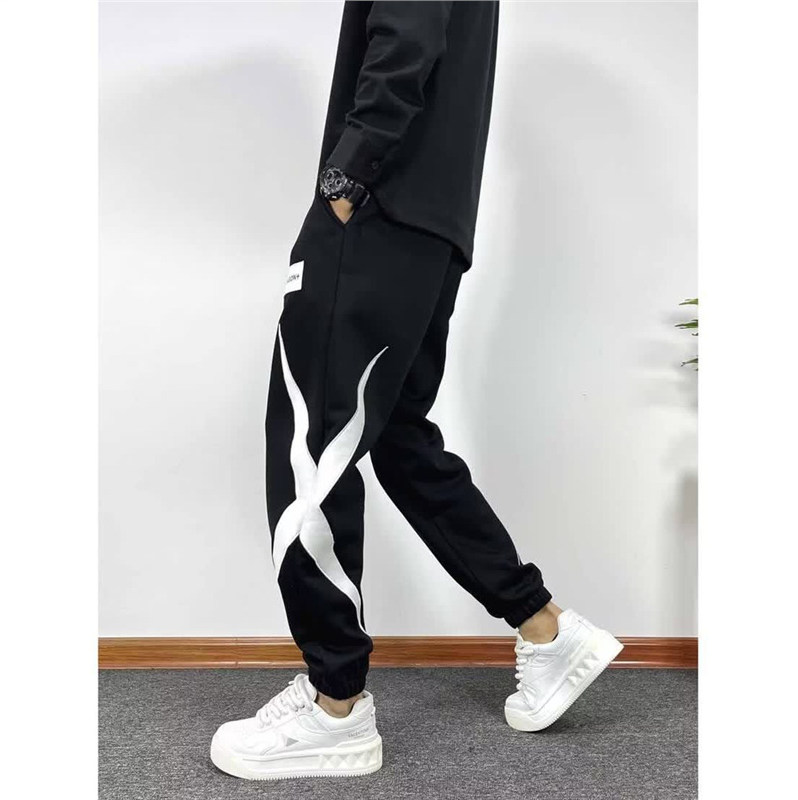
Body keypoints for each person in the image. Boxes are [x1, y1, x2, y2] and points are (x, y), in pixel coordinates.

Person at [211, 0, 622, 781]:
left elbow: (406, 39)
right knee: (398, 439)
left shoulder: (363, 189)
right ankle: (543, 626)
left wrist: (346, 177)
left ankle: (336, 706)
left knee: (310, 443)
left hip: (379, 210)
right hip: (430, 225)